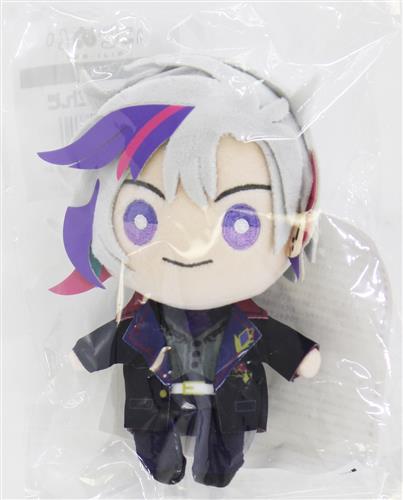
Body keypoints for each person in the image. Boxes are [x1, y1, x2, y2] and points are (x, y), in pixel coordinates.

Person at [38, 55, 321, 487]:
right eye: (141, 218)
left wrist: (298, 355)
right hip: (157, 406)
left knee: (222, 459)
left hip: (228, 408)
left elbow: (273, 339)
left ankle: (216, 470)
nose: (190, 247)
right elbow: (112, 339)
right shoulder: (141, 321)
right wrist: (84, 355)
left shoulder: (247, 324)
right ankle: (162, 468)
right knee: (157, 456)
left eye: (240, 222)